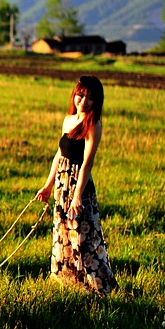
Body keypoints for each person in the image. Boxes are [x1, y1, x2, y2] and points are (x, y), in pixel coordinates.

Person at [36, 76, 118, 294]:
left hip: (78, 185)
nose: (84, 101)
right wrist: (47, 185)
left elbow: (87, 163)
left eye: (90, 98)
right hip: (62, 184)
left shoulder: (93, 125)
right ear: (74, 95)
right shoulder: (68, 119)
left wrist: (77, 196)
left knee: (83, 237)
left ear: (97, 101)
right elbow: (59, 155)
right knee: (62, 230)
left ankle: (103, 288)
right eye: (81, 95)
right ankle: (71, 282)